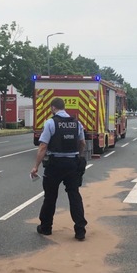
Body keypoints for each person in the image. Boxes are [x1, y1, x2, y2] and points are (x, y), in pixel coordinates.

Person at [30, 97, 88, 240]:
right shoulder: (76, 123)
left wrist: (35, 166)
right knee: (74, 195)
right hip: (72, 165)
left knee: (50, 197)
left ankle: (46, 228)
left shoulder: (51, 123)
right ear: (64, 107)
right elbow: (82, 143)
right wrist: (79, 157)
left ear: (53, 108)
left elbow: (43, 146)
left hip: (55, 164)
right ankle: (80, 230)